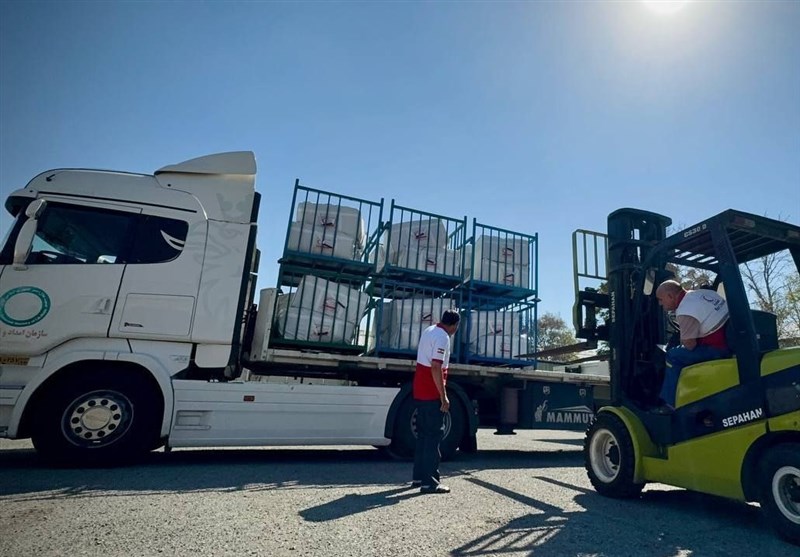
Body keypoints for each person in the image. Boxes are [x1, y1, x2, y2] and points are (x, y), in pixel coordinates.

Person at [654, 280, 730, 412]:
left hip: (718, 349)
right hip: (730, 340)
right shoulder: (702, 294)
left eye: (661, 300)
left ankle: (670, 404)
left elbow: (690, 345)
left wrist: (678, 345)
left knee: (672, 356)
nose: (660, 304)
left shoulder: (685, 310)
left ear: (670, 296)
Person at [411, 309, 460, 494]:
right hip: (431, 392)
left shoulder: (429, 330)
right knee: (433, 437)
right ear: (455, 325)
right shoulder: (443, 337)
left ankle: (418, 477)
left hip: (420, 390)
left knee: (423, 436)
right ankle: (430, 482)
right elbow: (436, 366)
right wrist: (443, 395)